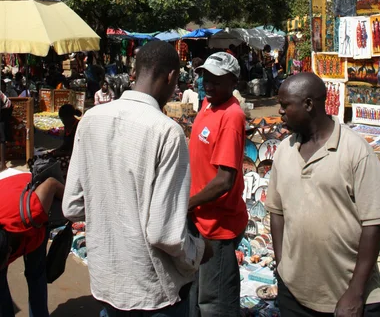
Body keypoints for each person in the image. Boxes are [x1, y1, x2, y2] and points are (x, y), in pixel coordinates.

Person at [63, 40, 209, 315]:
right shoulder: (167, 132)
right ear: (172, 77)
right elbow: (164, 234)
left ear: (134, 73)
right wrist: (199, 251)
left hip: (106, 283)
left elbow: (72, 205)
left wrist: (113, 210)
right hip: (151, 292)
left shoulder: (91, 120)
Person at [266, 73, 380, 317]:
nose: (280, 111)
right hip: (294, 295)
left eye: (285, 105)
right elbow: (276, 212)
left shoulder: (355, 150)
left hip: (347, 298)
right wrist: (284, 268)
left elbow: (374, 224)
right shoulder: (284, 150)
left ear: (309, 104)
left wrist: (355, 292)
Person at [188, 52, 248, 317]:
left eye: (216, 80)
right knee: (195, 292)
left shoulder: (232, 115)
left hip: (217, 225)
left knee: (215, 302)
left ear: (233, 82)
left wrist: (186, 203)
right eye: (206, 77)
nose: (208, 84)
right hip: (197, 217)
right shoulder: (207, 103)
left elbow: (225, 180)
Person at [0, 172, 64, 317]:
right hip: (7, 200)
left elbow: (51, 182)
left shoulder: (32, 213)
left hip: (23, 196)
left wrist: (73, 205)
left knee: (35, 273)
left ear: (9, 252)